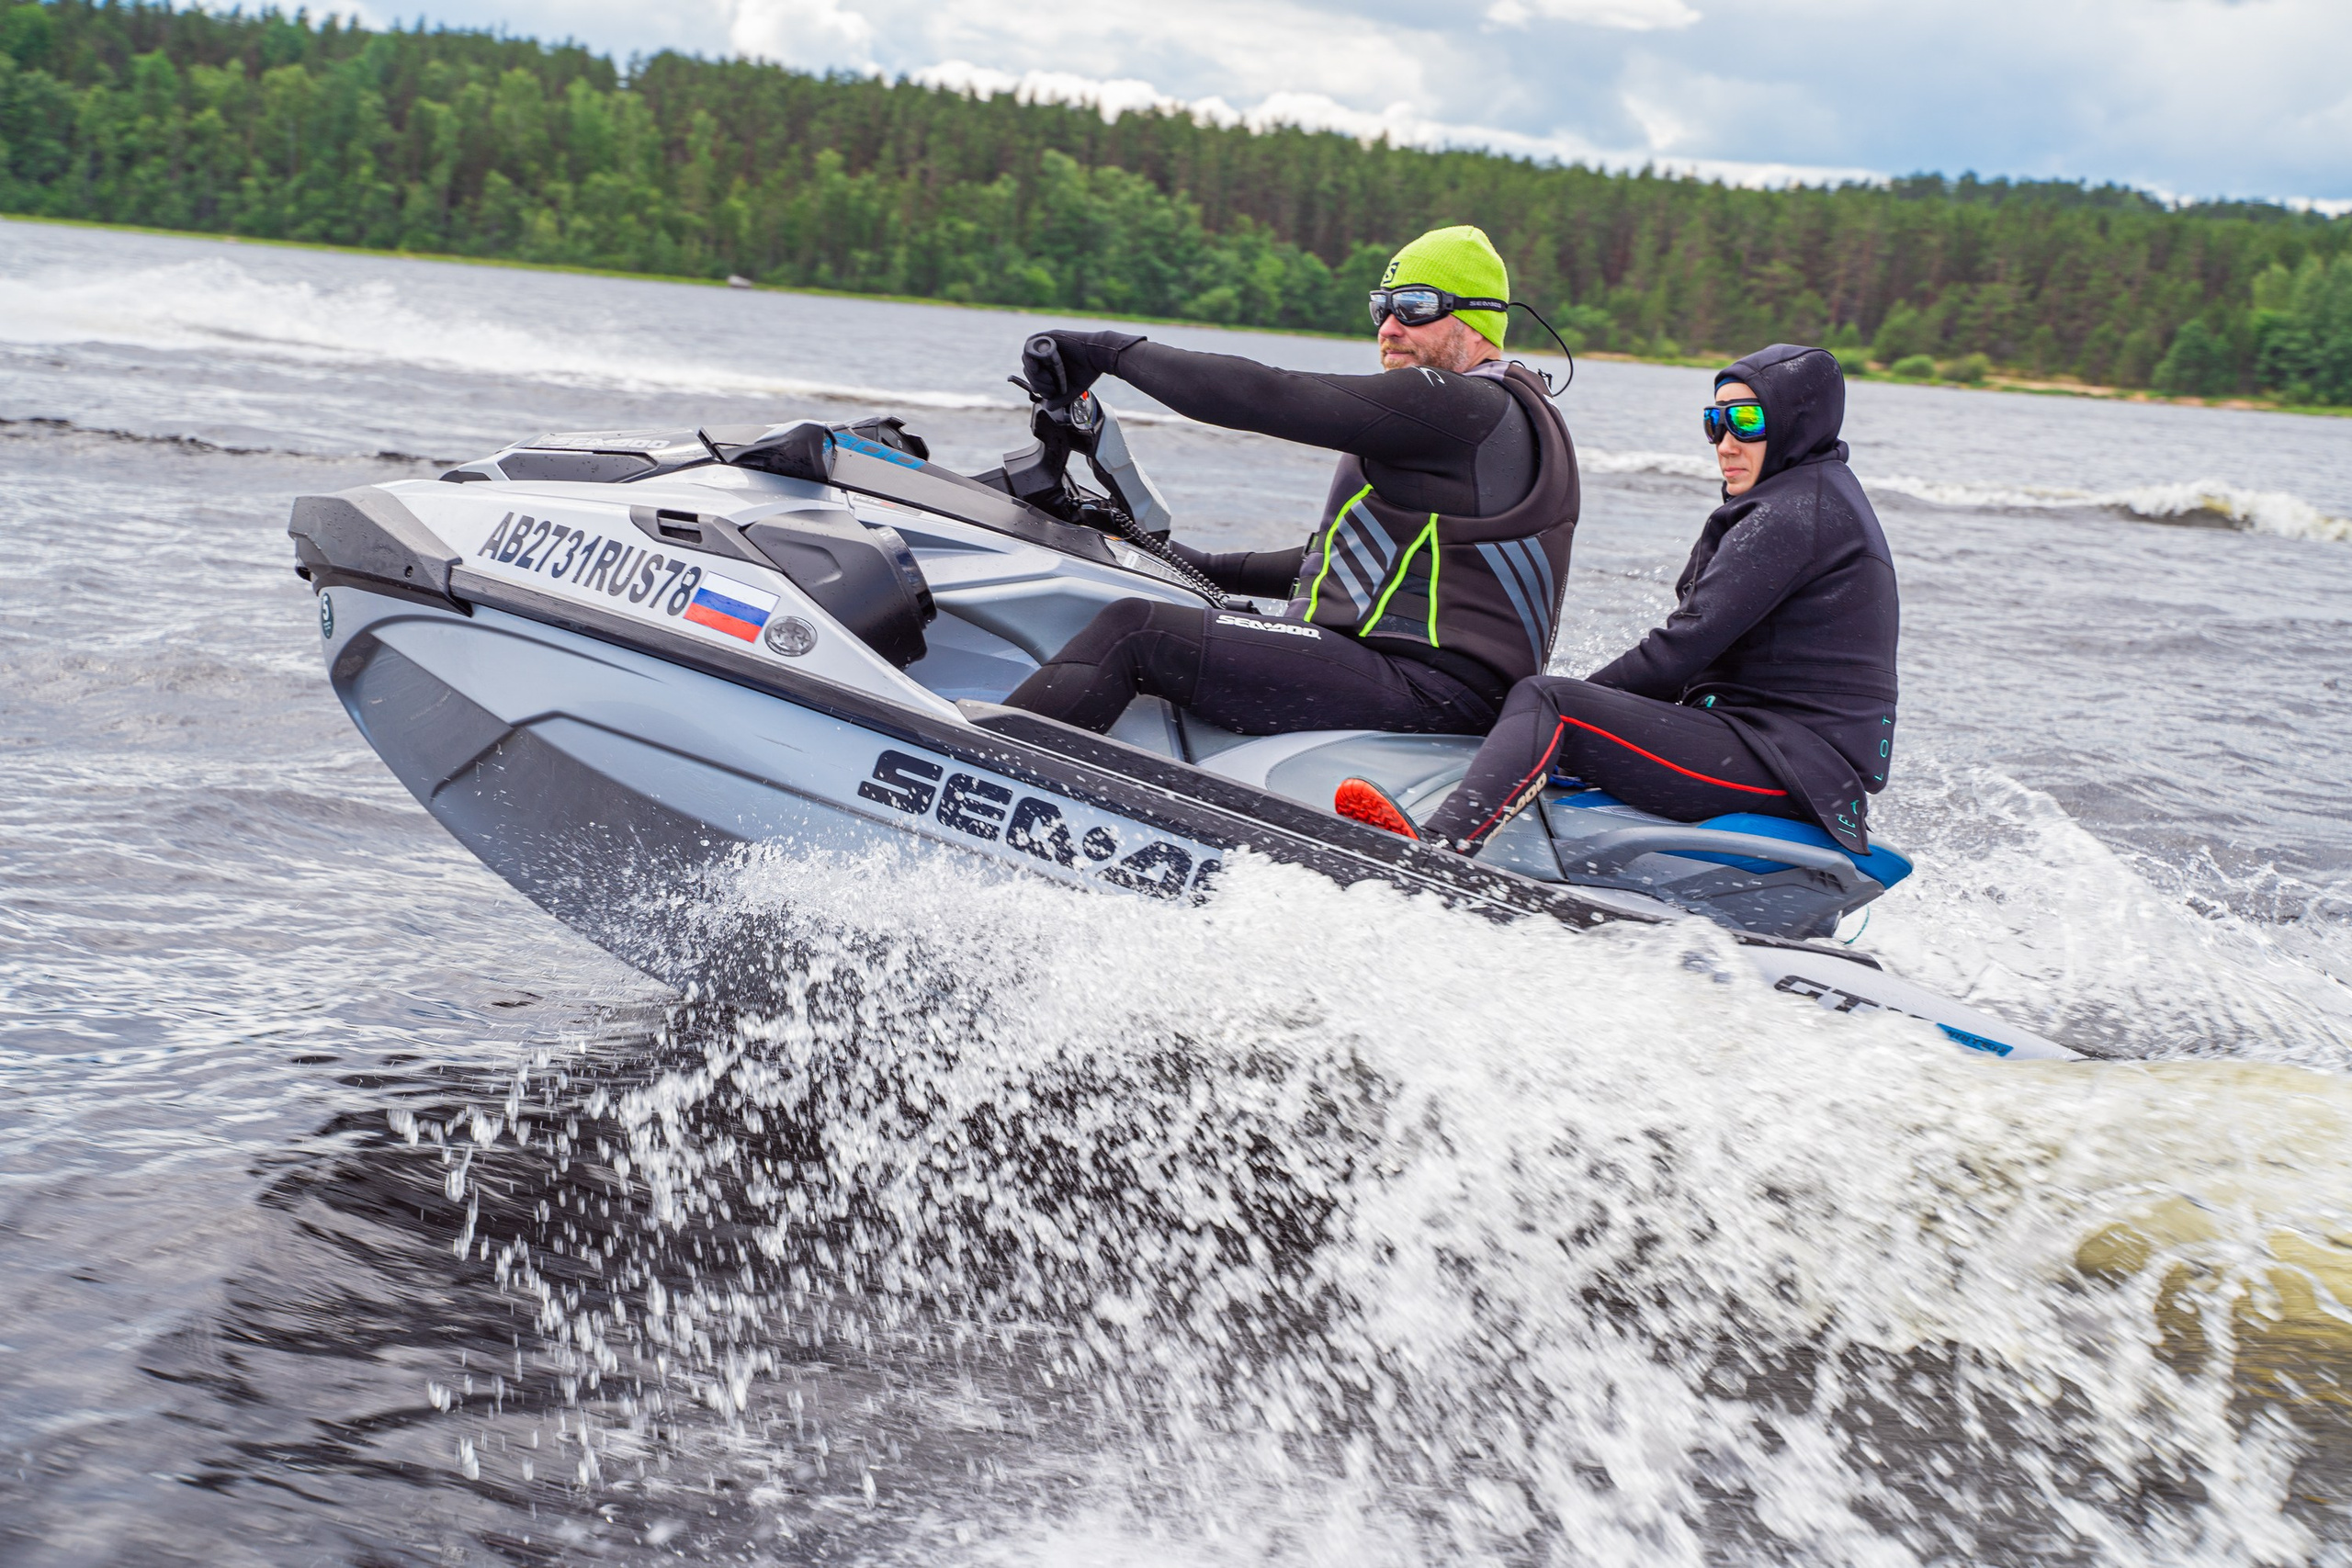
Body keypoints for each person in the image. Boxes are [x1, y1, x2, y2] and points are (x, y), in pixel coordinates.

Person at [1000, 225, 1579, 739]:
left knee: (1136, 630)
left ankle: (983, 769)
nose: (1390, 327)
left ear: (1479, 319)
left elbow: (1268, 394)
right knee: (1178, 606)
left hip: (1427, 690)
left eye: (1416, 306)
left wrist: (1107, 352)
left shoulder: (1465, 407)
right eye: (1381, 307)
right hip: (1431, 684)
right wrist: (1193, 563)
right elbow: (1356, 560)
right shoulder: (1507, 414)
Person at [1339, 343, 1898, 855]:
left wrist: (1548, 712)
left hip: (1788, 765)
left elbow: (1678, 651)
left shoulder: (1794, 513)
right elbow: (1696, 659)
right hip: (1776, 751)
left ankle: (1440, 851)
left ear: (1799, 423)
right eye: (1715, 422)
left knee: (1549, 701)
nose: (1726, 443)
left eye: (1747, 421)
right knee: (1555, 715)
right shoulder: (1805, 498)